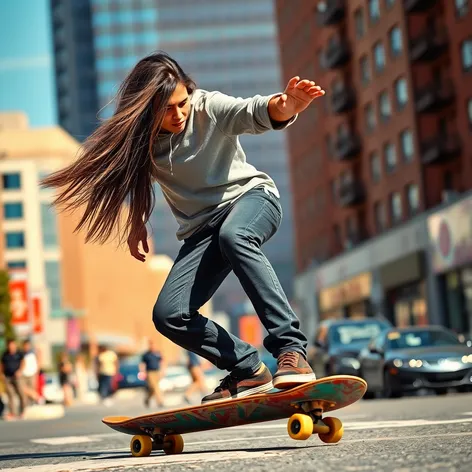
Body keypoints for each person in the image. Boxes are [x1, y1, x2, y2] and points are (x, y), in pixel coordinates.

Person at [41, 51, 325, 404]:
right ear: (147, 110)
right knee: (169, 315)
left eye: (182, 103)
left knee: (234, 236)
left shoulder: (208, 107)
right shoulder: (140, 142)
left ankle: (291, 351)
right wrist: (136, 224)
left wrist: (286, 105)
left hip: (252, 200)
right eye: (167, 109)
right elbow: (138, 182)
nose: (179, 115)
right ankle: (247, 369)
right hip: (203, 229)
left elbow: (254, 111)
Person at [0, 339, 26, 419]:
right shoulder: (5, 354)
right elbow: (2, 365)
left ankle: (23, 411)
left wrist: (20, 371)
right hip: (8, 377)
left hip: (17, 376)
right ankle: (12, 412)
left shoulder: (19, 353)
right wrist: (2, 374)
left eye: (12, 345)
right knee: (10, 394)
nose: (11, 347)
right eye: (9, 345)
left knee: (21, 393)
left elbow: (23, 363)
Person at [140, 339, 164, 408]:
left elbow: (162, 361)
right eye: (151, 345)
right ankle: (160, 402)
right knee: (156, 386)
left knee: (153, 388)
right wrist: (142, 372)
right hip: (150, 372)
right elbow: (142, 364)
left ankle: (147, 399)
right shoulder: (146, 355)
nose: (152, 346)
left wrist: (162, 370)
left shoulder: (158, 353)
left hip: (157, 371)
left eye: (153, 345)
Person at [21, 340, 41, 405]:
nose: (26, 347)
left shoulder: (33, 353)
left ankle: (34, 402)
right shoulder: (21, 354)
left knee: (33, 388)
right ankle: (36, 397)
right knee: (23, 390)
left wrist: (37, 371)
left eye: (28, 345)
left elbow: (38, 361)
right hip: (24, 375)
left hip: (32, 374)